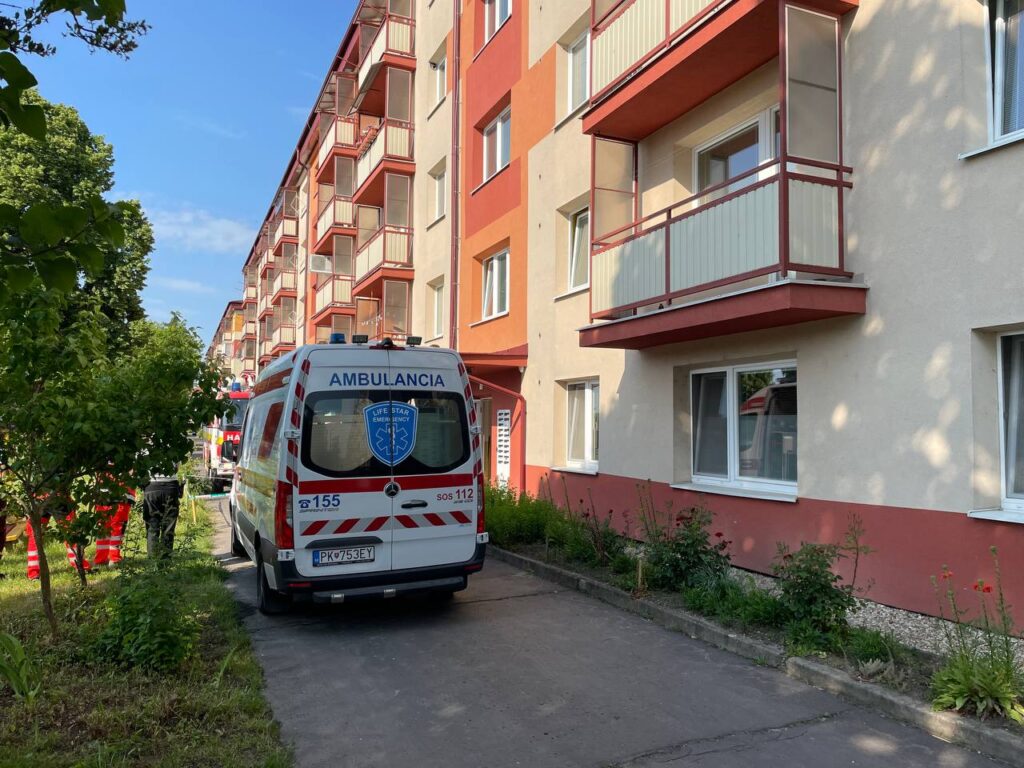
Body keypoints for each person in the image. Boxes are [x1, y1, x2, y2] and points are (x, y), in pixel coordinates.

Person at [93, 477, 135, 568]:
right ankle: (114, 559)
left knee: (103, 528)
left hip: (103, 494)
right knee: (118, 528)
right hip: (122, 495)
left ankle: (100, 559)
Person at [142, 470, 182, 558]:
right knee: (169, 526)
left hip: (151, 486)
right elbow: (177, 467)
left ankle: (153, 558)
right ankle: (166, 558)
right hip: (171, 486)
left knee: (152, 526)